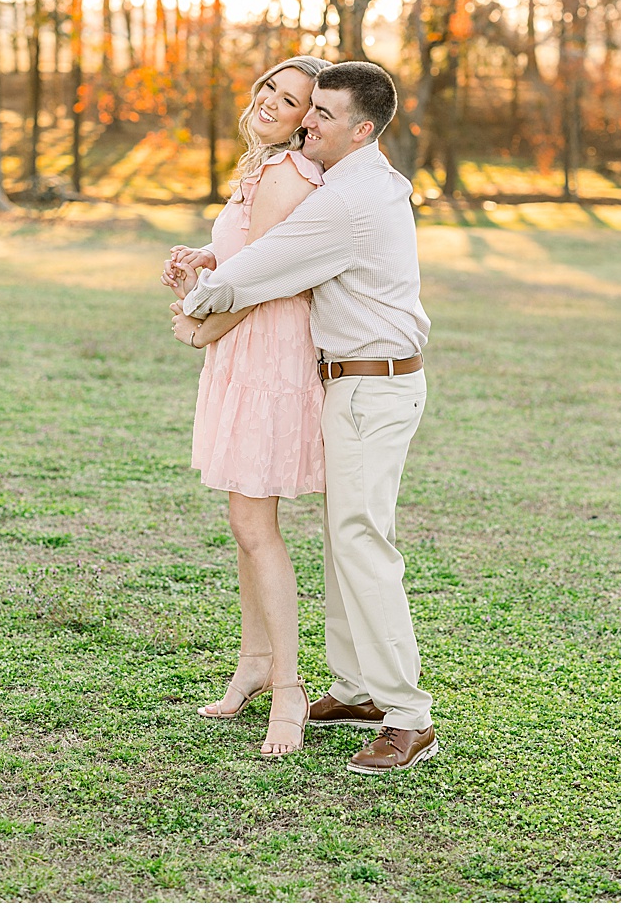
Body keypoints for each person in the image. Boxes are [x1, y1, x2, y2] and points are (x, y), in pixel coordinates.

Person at [173, 59, 439, 776]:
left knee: (362, 543)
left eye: (322, 112)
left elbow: (263, 267)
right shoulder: (360, 178)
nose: (308, 122)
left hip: (373, 387)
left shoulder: (347, 199)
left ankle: (408, 716)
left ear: (361, 130)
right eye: (308, 106)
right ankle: (355, 691)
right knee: (344, 539)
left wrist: (197, 312)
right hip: (356, 384)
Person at [163, 53, 330, 759]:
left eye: (290, 100)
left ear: (306, 122)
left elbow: (264, 280)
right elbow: (246, 254)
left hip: (267, 352)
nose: (270, 101)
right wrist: (207, 257)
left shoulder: (287, 172)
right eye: (270, 87)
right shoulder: (265, 168)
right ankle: (255, 663)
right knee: (245, 522)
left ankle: (289, 689)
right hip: (250, 347)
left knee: (254, 524)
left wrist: (203, 330)